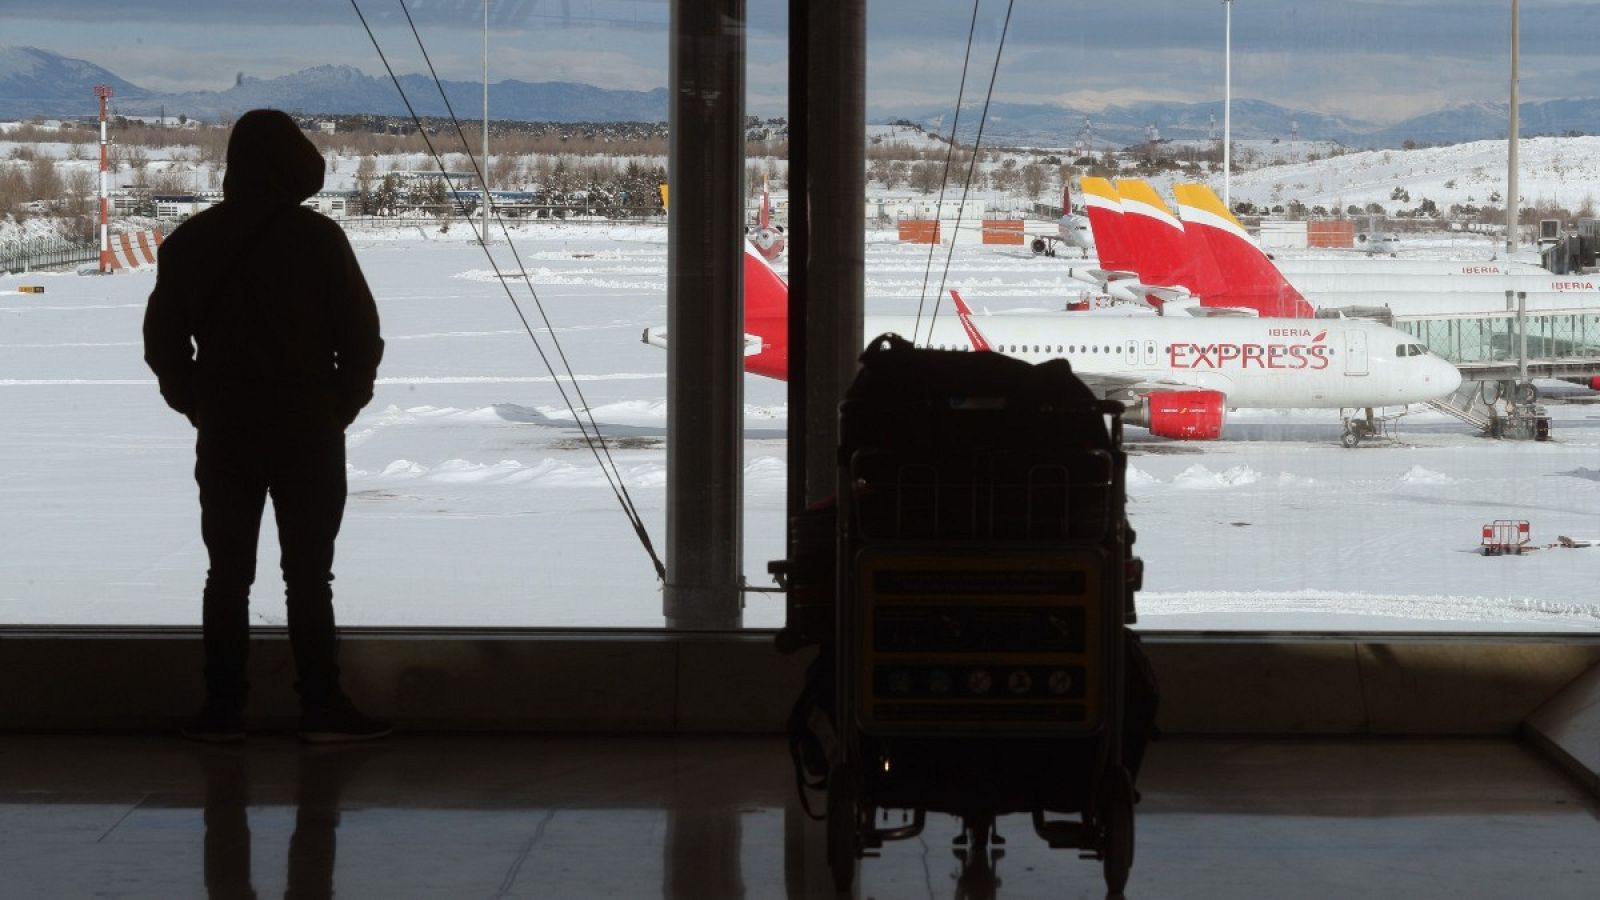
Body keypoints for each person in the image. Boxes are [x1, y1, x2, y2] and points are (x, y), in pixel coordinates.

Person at [144, 109, 388, 743]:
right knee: (309, 573)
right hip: (308, 428)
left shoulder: (191, 242)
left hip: (226, 430)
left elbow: (164, 343)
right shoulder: (319, 240)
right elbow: (361, 336)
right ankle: (321, 705)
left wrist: (197, 402)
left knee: (227, 571)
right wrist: (342, 404)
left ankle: (224, 708)